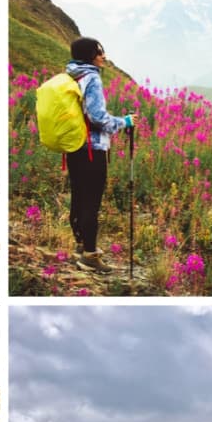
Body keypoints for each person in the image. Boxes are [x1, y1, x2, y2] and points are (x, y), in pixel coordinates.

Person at [66, 37, 135, 273]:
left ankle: (80, 245)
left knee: (78, 195)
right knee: (91, 202)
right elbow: (97, 117)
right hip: (92, 149)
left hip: (74, 146)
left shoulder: (72, 74)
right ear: (89, 55)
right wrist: (123, 121)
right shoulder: (92, 77)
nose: (103, 56)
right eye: (99, 52)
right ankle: (90, 255)